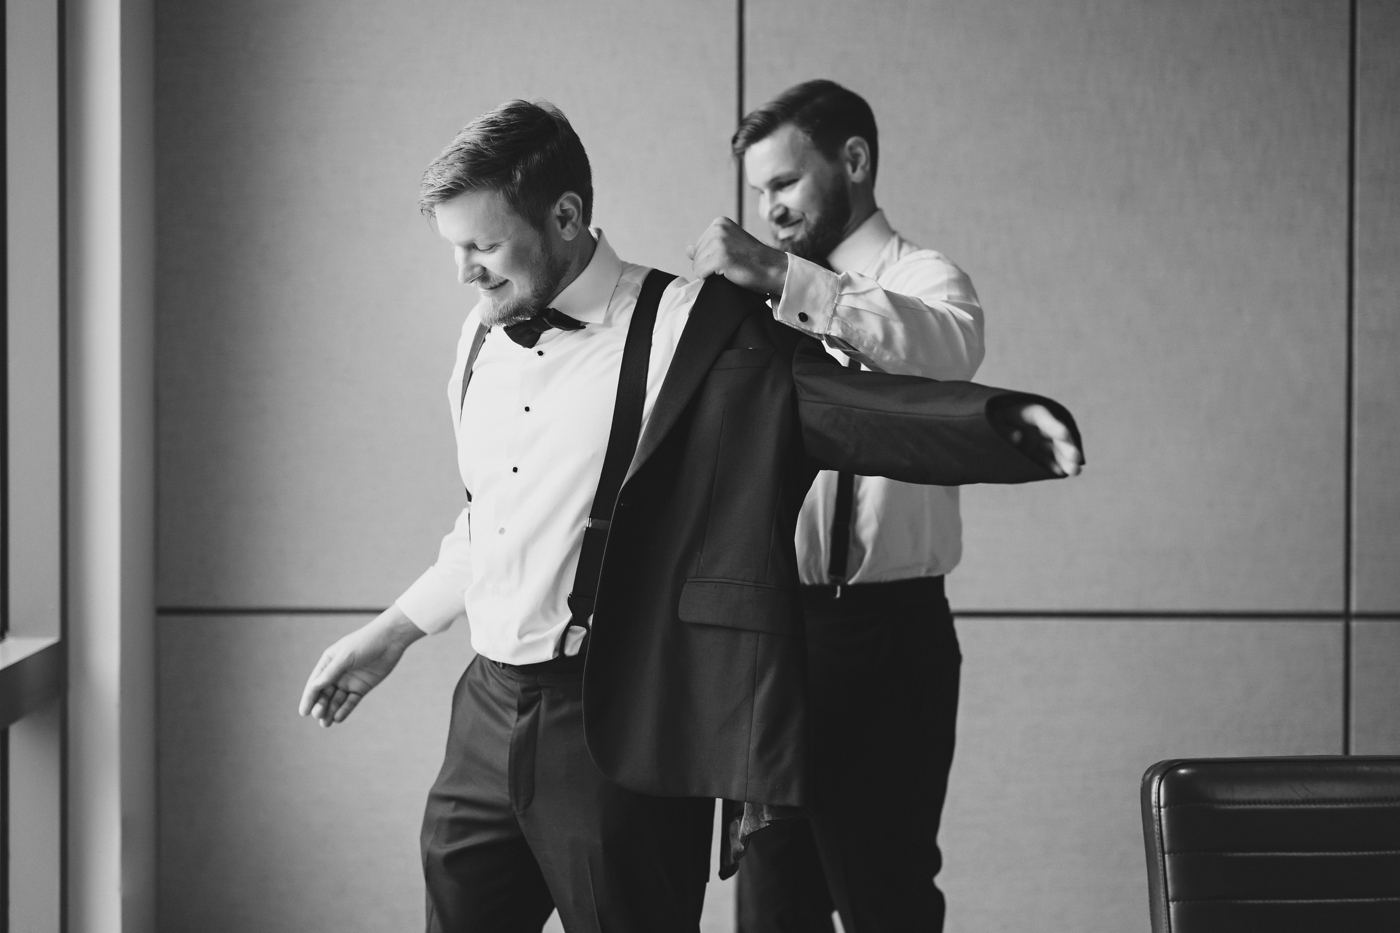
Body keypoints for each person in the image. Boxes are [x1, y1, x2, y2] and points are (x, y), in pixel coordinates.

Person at [298, 98, 1083, 933]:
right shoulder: (479, 337)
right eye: (455, 249)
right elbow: (488, 525)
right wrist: (387, 633)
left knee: (880, 890)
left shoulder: (689, 327)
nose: (466, 272)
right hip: (483, 715)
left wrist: (1001, 430)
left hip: (621, 716)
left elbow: (847, 405)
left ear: (566, 216)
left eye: (483, 245)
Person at [688, 79, 983, 933]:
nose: (768, 210)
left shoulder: (925, 281)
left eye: (783, 183)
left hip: (886, 637)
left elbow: (944, 352)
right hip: (775, 640)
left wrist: (787, 277)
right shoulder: (749, 306)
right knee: (771, 906)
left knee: (885, 897)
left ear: (853, 161)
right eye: (758, 195)